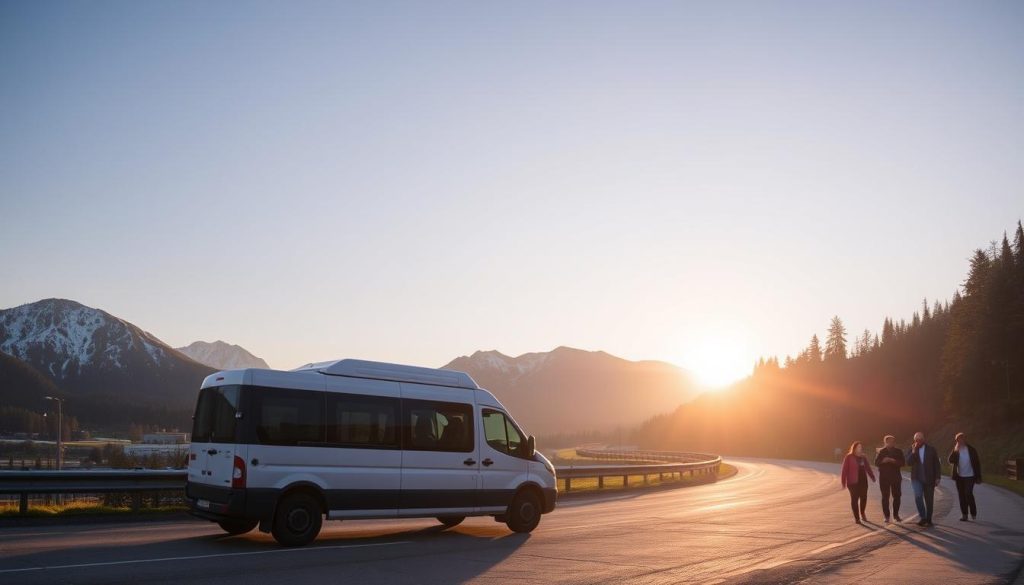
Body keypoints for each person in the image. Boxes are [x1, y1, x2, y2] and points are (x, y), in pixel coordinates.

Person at [907, 431, 941, 527]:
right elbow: (908, 462)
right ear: (914, 440)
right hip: (916, 478)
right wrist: (913, 452)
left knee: (929, 499)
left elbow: (936, 464)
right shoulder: (912, 449)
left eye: (920, 439)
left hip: (929, 478)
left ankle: (929, 519)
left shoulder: (931, 449)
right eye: (916, 439)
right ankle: (923, 517)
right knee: (918, 496)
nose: (919, 441)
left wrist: (938, 477)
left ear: (924, 439)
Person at [948, 432, 982, 521]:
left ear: (965, 439)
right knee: (961, 495)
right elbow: (950, 460)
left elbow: (977, 464)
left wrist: (978, 477)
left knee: (968, 493)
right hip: (959, 477)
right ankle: (964, 514)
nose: (960, 441)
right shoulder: (956, 450)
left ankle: (973, 512)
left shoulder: (971, 450)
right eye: (958, 440)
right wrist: (955, 452)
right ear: (956, 441)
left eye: (962, 439)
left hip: (970, 476)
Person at [841, 441, 876, 524]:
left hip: (863, 481)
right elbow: (844, 470)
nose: (860, 449)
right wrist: (843, 482)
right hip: (852, 482)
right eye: (858, 447)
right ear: (854, 448)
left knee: (864, 498)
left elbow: (868, 467)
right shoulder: (849, 457)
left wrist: (872, 476)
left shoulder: (863, 457)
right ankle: (857, 518)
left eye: (861, 447)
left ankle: (862, 512)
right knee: (854, 499)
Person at [874, 435, 906, 523]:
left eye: (892, 441)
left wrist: (893, 461)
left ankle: (896, 515)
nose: (891, 443)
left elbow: (903, 463)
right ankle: (886, 516)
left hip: (896, 477)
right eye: (889, 441)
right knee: (885, 497)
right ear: (885, 442)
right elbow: (876, 462)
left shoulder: (898, 451)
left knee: (897, 496)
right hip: (884, 478)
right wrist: (883, 461)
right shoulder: (881, 452)